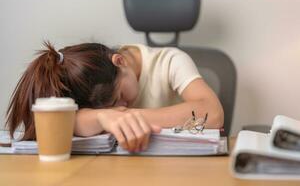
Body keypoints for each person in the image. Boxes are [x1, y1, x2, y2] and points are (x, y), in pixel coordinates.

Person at [6, 42, 224, 152]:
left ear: (120, 62)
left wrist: (127, 117)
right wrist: (101, 118)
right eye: (110, 107)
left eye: (119, 95)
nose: (119, 106)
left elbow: (212, 114)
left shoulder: (170, 61)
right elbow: (60, 121)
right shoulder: (86, 71)